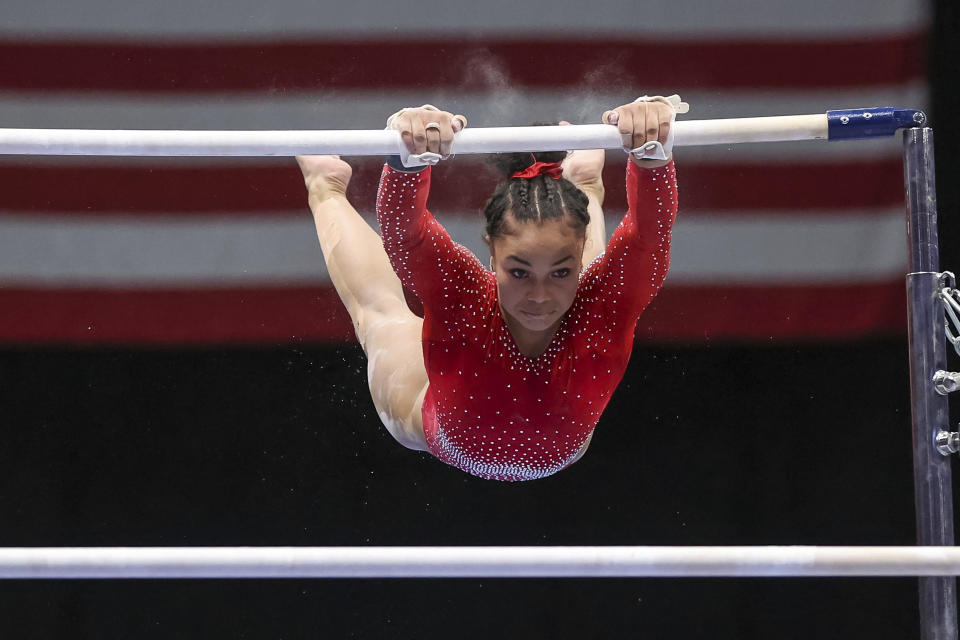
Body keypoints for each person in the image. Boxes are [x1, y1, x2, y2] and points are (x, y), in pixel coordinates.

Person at [296, 96, 681, 481]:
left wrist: (652, 152)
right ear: (492, 254)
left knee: (592, 278)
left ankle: (581, 183)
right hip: (440, 426)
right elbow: (404, 234)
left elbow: (648, 235)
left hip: (548, 419)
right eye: (519, 273)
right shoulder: (463, 295)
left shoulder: (598, 302)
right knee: (380, 315)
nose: (540, 296)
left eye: (560, 275)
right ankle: (325, 185)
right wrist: (407, 159)